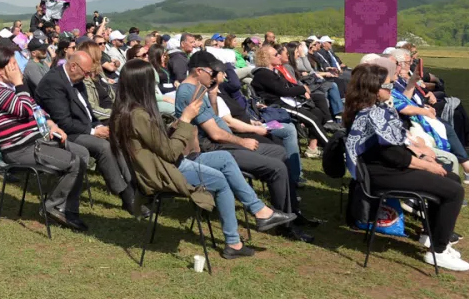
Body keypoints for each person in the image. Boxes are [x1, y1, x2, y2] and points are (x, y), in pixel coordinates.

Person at [110, 59, 295, 258]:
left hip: (167, 165)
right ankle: (234, 243)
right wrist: (185, 120)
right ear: (142, 84)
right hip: (164, 173)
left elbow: (157, 146)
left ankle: (260, 212)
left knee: (224, 157)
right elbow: (170, 153)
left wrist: (173, 128)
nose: (153, 87)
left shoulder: (128, 111)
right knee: (221, 181)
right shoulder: (137, 115)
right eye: (150, 82)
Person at [343, 63, 469, 271]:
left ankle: (433, 237)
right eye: (388, 86)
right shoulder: (369, 115)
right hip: (381, 175)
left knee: (452, 180)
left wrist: (421, 153)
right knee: (454, 191)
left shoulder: (375, 110)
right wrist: (427, 166)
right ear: (373, 89)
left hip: (387, 168)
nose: (392, 90)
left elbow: (396, 144)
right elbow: (393, 156)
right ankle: (438, 252)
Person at [179, 51, 315, 242]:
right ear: (199, 70)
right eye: (212, 72)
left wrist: (212, 94)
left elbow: (216, 120)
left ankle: (291, 211)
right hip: (214, 148)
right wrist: (242, 141)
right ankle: (284, 225)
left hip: (223, 143)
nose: (215, 75)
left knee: (280, 152)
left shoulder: (200, 88)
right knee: (276, 168)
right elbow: (215, 134)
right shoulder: (188, 92)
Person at [0, 46, 89, 231]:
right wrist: (19, 83)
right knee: (75, 162)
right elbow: (23, 109)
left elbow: (36, 108)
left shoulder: (10, 89)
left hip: (35, 142)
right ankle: (52, 207)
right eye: (13, 65)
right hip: (19, 150)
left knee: (82, 153)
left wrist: (51, 124)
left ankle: (66, 207)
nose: (18, 68)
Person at [36, 51, 140, 215]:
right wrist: (93, 131)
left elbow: (88, 112)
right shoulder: (54, 83)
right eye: (85, 72)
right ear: (73, 66)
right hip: (62, 132)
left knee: (116, 137)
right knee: (104, 147)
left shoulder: (76, 80)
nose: (87, 76)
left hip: (81, 127)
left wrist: (99, 126)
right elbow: (64, 122)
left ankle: (133, 187)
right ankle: (126, 196)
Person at [384, 50, 469, 186]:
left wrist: (420, 96)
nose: (403, 66)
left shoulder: (395, 82)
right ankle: (461, 174)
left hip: (414, 119)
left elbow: (405, 101)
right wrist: (423, 111)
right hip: (409, 125)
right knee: (448, 125)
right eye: (405, 63)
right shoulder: (386, 88)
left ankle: (465, 166)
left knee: (451, 116)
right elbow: (402, 106)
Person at [251, 44, 330, 157]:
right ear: (266, 58)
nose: (279, 56)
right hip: (277, 107)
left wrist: (301, 88)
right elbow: (283, 91)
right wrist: (302, 89)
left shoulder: (270, 72)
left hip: (283, 103)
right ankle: (332, 150)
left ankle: (319, 147)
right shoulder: (263, 74)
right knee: (312, 120)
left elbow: (286, 86)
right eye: (276, 55)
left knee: (316, 113)